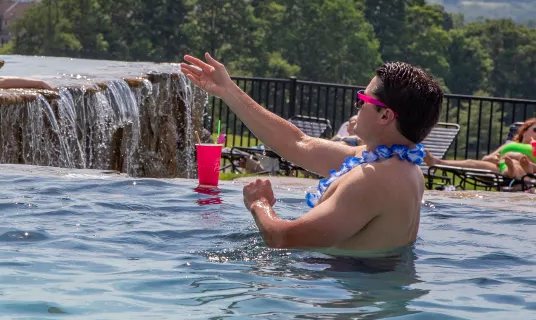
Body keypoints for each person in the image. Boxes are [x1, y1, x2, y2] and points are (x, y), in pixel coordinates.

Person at [181, 53, 444, 253]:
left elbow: (282, 239)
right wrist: (229, 91)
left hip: (344, 301)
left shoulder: (375, 179)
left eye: (363, 99)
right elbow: (298, 144)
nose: (357, 104)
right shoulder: (393, 164)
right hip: (360, 294)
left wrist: (259, 204)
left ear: (386, 115)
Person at [423, 117, 536, 172]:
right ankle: (437, 162)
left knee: (516, 162)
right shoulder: (509, 145)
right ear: (525, 132)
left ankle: (511, 168)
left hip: (528, 171)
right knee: (472, 161)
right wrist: (494, 159)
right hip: (499, 167)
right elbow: (486, 158)